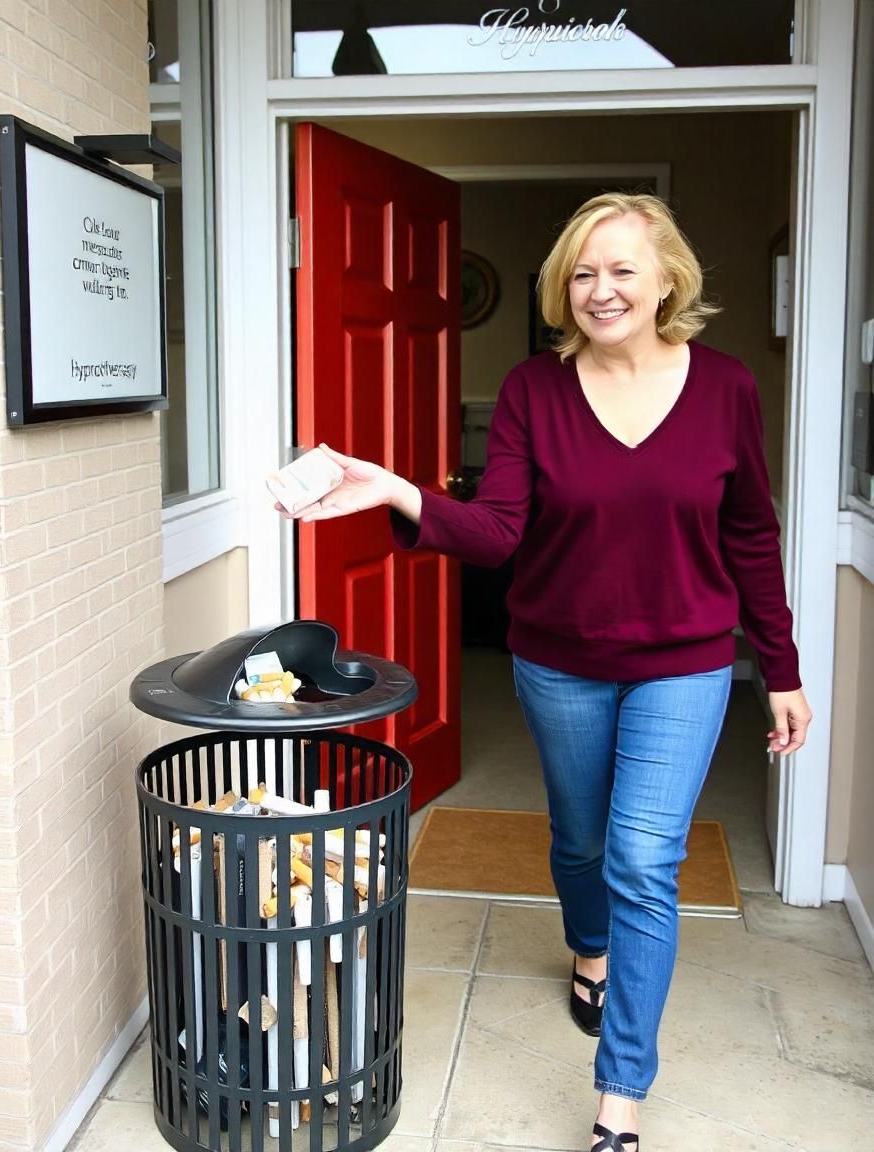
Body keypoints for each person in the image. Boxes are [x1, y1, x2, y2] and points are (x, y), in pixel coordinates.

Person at [275, 193, 813, 1152]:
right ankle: (589, 948)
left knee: (643, 862)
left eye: (622, 270)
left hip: (683, 664)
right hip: (558, 660)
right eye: (582, 273)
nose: (601, 290)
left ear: (667, 281)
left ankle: (620, 1097)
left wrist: (781, 666)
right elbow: (496, 535)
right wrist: (398, 489)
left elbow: (751, 536)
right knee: (577, 843)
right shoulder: (533, 390)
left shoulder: (727, 387)